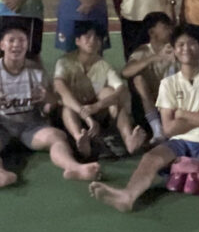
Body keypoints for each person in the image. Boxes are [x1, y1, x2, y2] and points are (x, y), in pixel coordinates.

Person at [89, 29, 199, 224]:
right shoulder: (168, 84)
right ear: (174, 50)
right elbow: (168, 129)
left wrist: (183, 114)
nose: (186, 48)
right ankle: (127, 197)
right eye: (180, 45)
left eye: (192, 43)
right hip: (178, 141)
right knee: (150, 158)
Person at [0, 27, 100, 189]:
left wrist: (48, 99)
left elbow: (48, 109)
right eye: (11, 40)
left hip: (30, 127)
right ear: (2, 45)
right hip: (0, 128)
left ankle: (74, 167)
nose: (16, 44)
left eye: (21, 40)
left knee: (57, 136)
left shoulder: (37, 72)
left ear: (27, 45)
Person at [53, 21, 146, 158]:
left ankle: (129, 139)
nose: (92, 41)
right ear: (77, 41)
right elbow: (62, 91)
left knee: (110, 93)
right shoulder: (64, 62)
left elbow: (120, 89)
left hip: (95, 113)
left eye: (97, 38)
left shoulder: (104, 65)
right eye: (87, 37)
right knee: (68, 108)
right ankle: (80, 140)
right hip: (73, 113)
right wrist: (87, 117)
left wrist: (97, 106)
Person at [120, 11, 178, 144]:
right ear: (152, 32)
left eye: (170, 27)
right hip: (150, 104)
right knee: (138, 79)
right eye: (165, 27)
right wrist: (155, 57)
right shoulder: (143, 51)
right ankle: (157, 130)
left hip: (175, 101)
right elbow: (125, 72)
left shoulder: (177, 48)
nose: (170, 31)